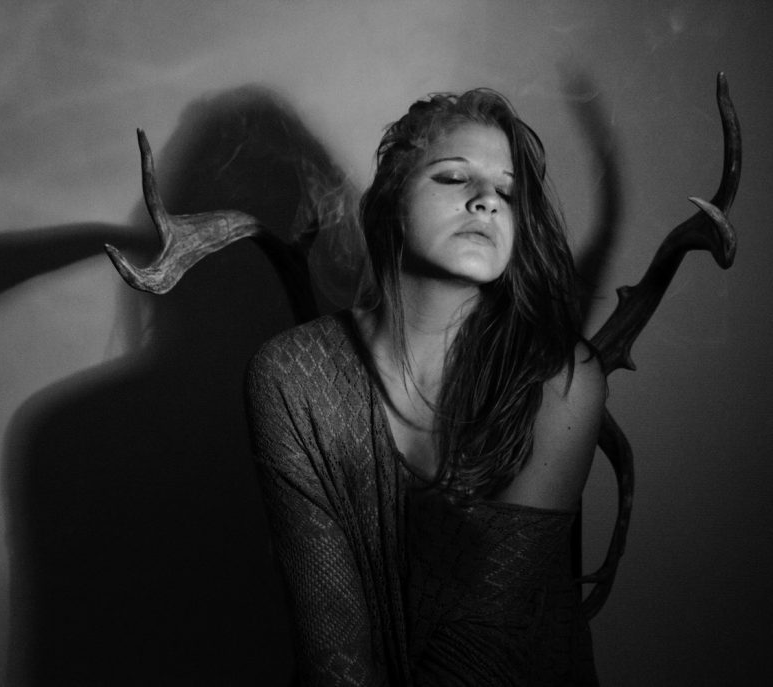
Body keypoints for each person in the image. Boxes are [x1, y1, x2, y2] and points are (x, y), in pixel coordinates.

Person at [245, 89, 606, 686]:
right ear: (391, 200)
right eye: (454, 177)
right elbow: (330, 640)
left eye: (508, 193)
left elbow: (486, 639)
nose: (487, 200)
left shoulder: (559, 377)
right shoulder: (290, 374)